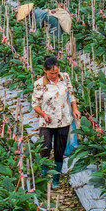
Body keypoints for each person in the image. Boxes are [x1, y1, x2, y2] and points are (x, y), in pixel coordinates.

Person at [31, 55, 80, 187]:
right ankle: (43, 176)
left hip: (64, 120)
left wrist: (75, 109)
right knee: (45, 147)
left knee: (59, 150)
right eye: (51, 73)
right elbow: (35, 104)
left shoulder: (65, 78)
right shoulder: (39, 84)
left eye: (56, 72)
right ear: (45, 71)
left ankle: (56, 179)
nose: (54, 75)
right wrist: (43, 114)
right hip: (47, 121)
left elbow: (71, 95)